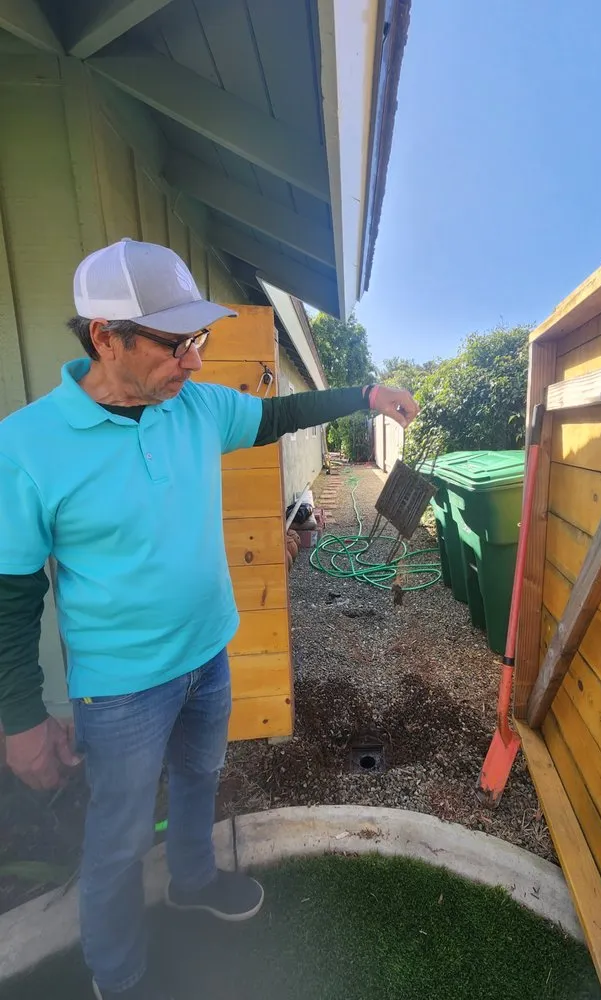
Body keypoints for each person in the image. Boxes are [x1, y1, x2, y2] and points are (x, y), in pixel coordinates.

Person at [0, 239, 418, 1000]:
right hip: (119, 689)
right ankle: (118, 975)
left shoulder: (193, 407)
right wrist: (20, 715)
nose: (194, 361)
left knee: (199, 778)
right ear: (104, 336)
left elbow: (280, 413)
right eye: (174, 343)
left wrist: (363, 396)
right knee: (117, 841)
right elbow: (11, 595)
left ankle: (194, 881)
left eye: (198, 340)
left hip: (209, 655)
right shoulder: (27, 445)